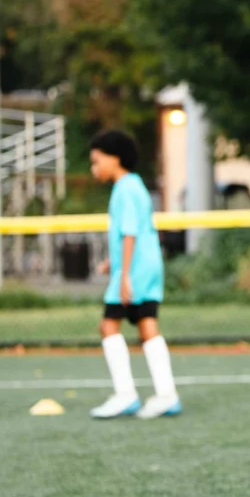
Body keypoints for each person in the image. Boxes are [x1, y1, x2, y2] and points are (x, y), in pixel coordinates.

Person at [87, 130, 181, 419]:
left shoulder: (125, 189)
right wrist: (112, 262)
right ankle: (167, 395)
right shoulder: (135, 185)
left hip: (136, 270)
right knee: (146, 324)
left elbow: (129, 233)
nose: (94, 168)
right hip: (148, 266)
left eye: (96, 161)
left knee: (108, 325)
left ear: (115, 159)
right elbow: (134, 231)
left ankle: (125, 394)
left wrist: (124, 274)